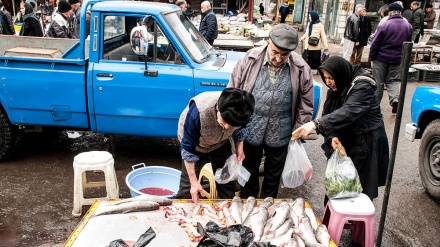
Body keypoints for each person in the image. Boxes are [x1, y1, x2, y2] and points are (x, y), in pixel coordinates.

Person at [292, 55, 390, 247]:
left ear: (341, 73)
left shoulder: (363, 86)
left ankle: (359, 234)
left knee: (359, 189)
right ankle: (334, 224)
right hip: (346, 141)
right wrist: (331, 137)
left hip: (366, 143)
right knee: (338, 185)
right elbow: (330, 115)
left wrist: (316, 125)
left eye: (331, 78)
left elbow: (350, 111)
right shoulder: (336, 87)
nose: (329, 82)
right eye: (325, 78)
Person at [227, 24, 314, 199]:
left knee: (273, 175)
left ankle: (267, 207)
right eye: (275, 52)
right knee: (247, 171)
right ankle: (247, 205)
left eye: (284, 55)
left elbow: (306, 102)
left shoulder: (301, 67)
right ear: (268, 43)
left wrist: (298, 131)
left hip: (281, 131)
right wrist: (236, 128)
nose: (279, 58)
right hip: (251, 128)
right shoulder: (249, 59)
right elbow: (233, 90)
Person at [176, 88, 255, 204]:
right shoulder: (198, 112)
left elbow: (241, 129)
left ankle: (229, 211)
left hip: (220, 142)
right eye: (224, 122)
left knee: (226, 181)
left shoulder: (243, 109)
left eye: (232, 124)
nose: (227, 127)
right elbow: (188, 149)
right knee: (188, 188)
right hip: (195, 144)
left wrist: (239, 147)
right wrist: (194, 182)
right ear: (218, 107)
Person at [370, 2, 412, 115]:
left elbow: (375, 42)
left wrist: (372, 56)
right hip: (397, 59)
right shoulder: (408, 26)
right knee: (392, 80)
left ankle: (375, 106)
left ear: (390, 12)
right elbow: (409, 44)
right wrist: (405, 59)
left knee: (378, 82)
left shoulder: (385, 25)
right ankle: (394, 99)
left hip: (381, 57)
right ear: (401, 12)